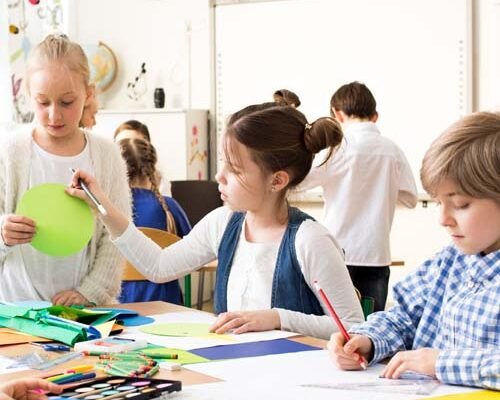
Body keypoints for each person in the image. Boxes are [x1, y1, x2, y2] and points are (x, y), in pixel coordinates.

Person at [67, 105, 365, 339]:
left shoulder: (309, 240)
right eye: (223, 163)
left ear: (277, 181)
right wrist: (103, 205)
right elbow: (159, 267)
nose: (219, 176)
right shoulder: (223, 223)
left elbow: (353, 327)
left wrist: (277, 318)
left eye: (234, 169)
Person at [327, 111, 500, 390]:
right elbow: (404, 317)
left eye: (460, 204)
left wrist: (441, 362)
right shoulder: (448, 262)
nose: (443, 219)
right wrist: (367, 340)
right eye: (438, 203)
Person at [0, 34, 131, 306]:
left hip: (83, 313)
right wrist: (3, 233)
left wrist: (90, 292)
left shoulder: (106, 155)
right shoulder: (9, 152)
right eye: (43, 102)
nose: (54, 115)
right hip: (15, 312)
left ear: (88, 94)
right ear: (29, 95)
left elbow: (116, 237)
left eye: (67, 102)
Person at [299, 81, 418, 312]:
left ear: (336, 113)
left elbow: (298, 183)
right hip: (376, 253)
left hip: (337, 250)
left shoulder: (337, 149)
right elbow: (410, 198)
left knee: (333, 322)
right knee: (372, 324)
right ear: (375, 116)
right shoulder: (392, 150)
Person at [118, 137, 192, 304]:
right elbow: (193, 249)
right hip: (166, 304)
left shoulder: (108, 212)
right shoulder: (168, 207)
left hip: (116, 305)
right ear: (152, 169)